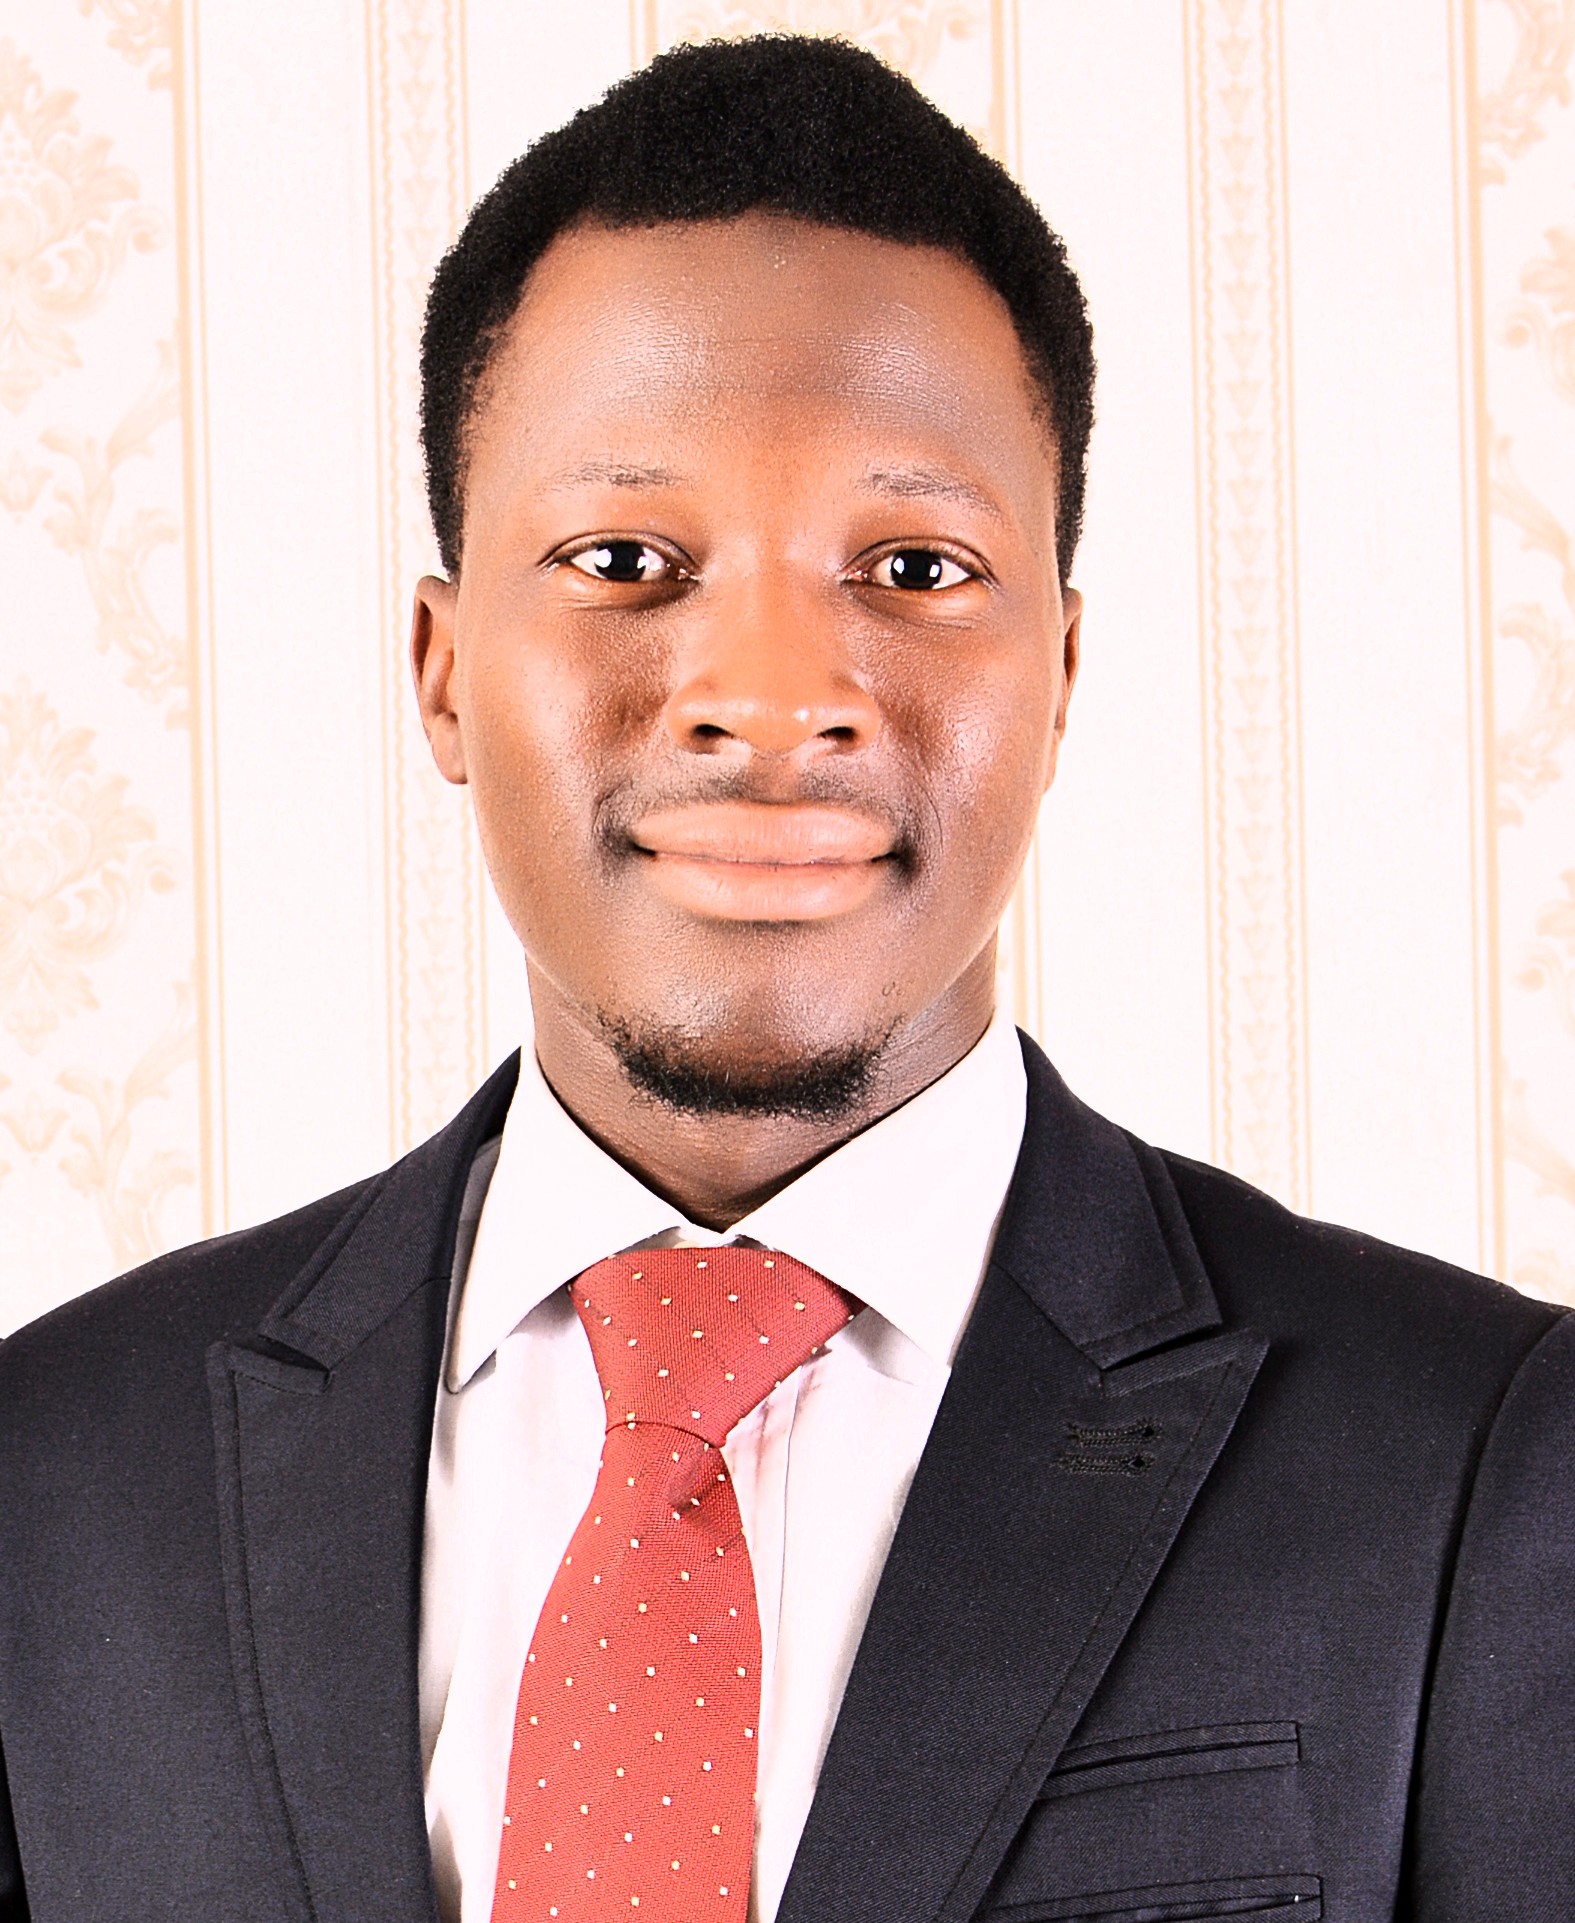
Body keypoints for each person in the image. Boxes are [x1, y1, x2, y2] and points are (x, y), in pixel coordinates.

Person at [0, 32, 1570, 1923]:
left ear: (1062, 680)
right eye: (625, 556)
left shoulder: (1480, 1464)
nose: (768, 695)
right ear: (442, 673)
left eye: (912, 568)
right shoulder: (54, 1472)